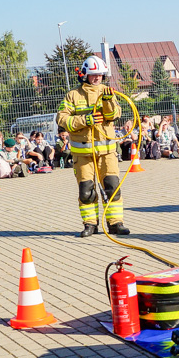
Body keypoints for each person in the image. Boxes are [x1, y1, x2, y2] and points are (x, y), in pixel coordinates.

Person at [56, 55, 131, 238]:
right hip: (83, 153)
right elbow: (62, 119)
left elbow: (114, 114)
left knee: (112, 186)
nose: (97, 78)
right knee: (86, 191)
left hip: (106, 152)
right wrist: (84, 120)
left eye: (99, 75)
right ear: (85, 75)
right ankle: (90, 224)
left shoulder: (107, 91)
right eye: (93, 75)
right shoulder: (73, 95)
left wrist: (107, 101)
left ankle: (115, 224)